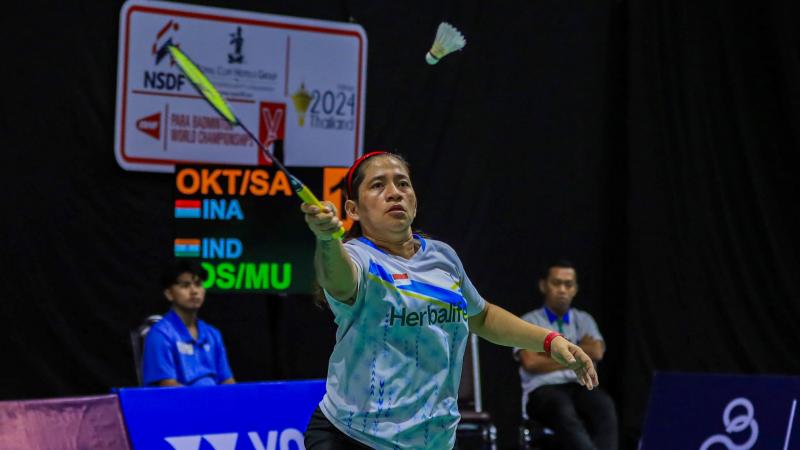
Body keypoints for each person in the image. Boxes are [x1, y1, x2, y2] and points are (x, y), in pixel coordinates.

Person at [300, 151, 599, 449]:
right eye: (378, 185)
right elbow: (337, 280)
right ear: (353, 209)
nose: (394, 193)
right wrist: (327, 239)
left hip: (432, 442)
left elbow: (482, 317)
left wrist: (550, 341)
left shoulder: (442, 257)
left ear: (414, 199)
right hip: (353, 439)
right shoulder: (358, 259)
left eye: (403, 184)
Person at [514, 260, 617, 450]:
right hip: (543, 389)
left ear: (575, 289)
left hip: (579, 385)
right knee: (562, 409)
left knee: (604, 406)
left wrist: (547, 354)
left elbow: (597, 352)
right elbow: (530, 362)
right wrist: (578, 350)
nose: (562, 289)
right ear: (543, 285)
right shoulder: (529, 321)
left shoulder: (584, 320)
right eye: (556, 283)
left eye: (568, 284)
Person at [141, 260, 235, 387]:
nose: (194, 291)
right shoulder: (160, 334)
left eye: (198, 284)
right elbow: (168, 386)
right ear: (169, 294)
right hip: (181, 405)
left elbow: (227, 381)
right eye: (185, 285)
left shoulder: (213, 334)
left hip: (215, 403)